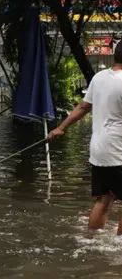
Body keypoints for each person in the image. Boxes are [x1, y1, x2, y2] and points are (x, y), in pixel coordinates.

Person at [48, 42, 122, 235]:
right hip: (119, 150)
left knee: (104, 200)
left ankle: (91, 241)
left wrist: (60, 128)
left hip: (100, 150)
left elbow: (83, 107)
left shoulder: (99, 78)